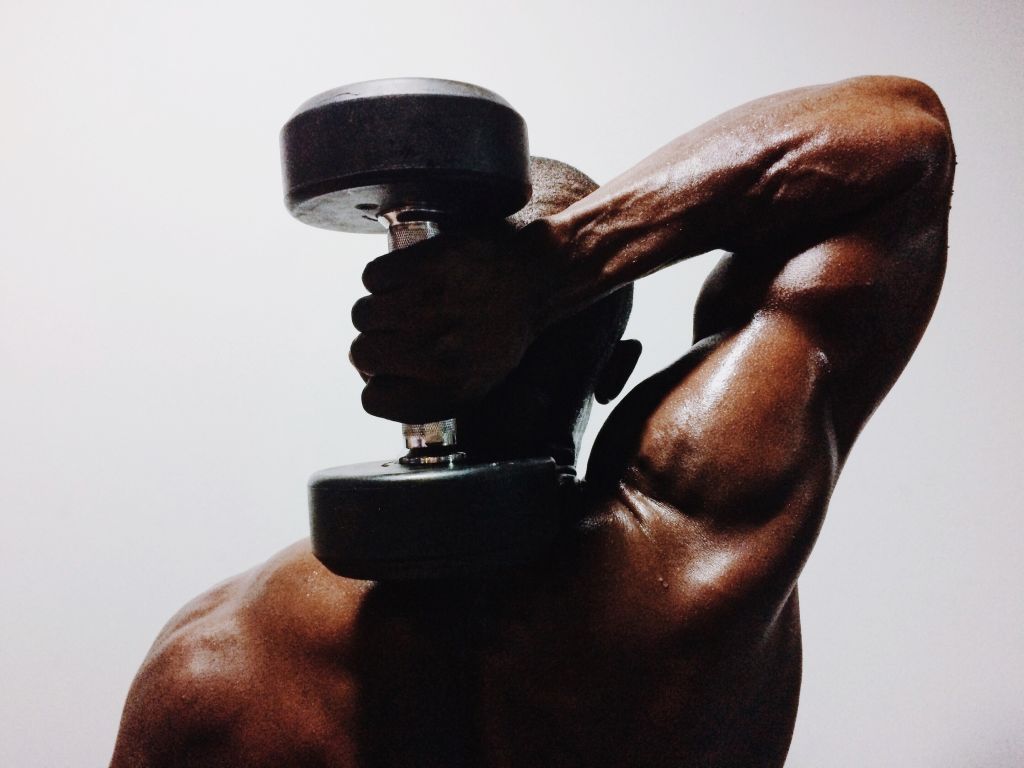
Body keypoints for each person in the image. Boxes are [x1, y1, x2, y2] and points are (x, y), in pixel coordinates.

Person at [110, 75, 954, 767]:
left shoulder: (217, 660)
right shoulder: (695, 548)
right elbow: (905, 144)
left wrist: (531, 276)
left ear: (388, 360)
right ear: (615, 371)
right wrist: (552, 274)